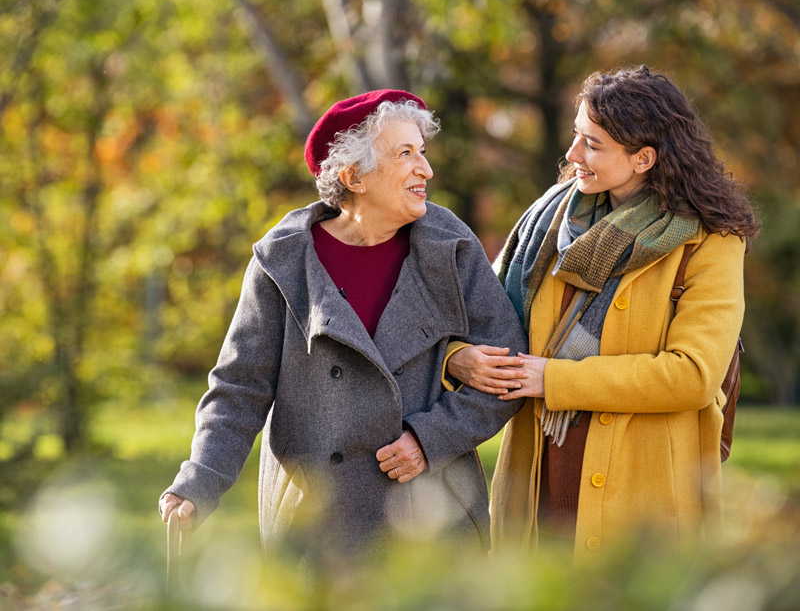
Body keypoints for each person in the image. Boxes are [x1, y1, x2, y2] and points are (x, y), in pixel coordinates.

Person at [158, 90, 527, 570]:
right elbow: (239, 387)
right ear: (354, 176)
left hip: (433, 515)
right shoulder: (284, 261)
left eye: (422, 151)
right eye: (405, 154)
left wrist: (430, 438)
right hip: (318, 521)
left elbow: (508, 367)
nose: (426, 170)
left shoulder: (451, 246)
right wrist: (200, 478)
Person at [446, 65, 760, 560]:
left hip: (644, 497)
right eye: (576, 136)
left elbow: (693, 375)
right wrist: (458, 358)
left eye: (592, 144)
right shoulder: (546, 226)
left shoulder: (711, 242)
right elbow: (476, 321)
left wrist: (556, 380)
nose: (572, 156)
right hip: (538, 481)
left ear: (643, 158)